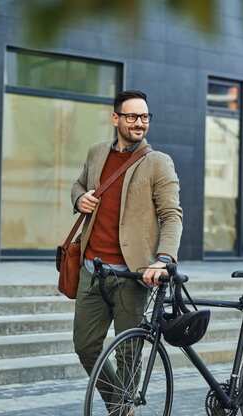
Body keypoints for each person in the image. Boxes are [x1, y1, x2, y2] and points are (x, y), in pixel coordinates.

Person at [71, 89, 183, 412]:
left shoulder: (158, 163)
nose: (139, 123)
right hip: (92, 271)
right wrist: (79, 198)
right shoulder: (96, 154)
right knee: (85, 346)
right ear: (115, 118)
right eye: (132, 116)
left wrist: (164, 259)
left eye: (145, 117)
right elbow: (78, 184)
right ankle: (122, 405)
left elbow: (172, 215)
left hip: (133, 275)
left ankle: (121, 410)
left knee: (129, 354)